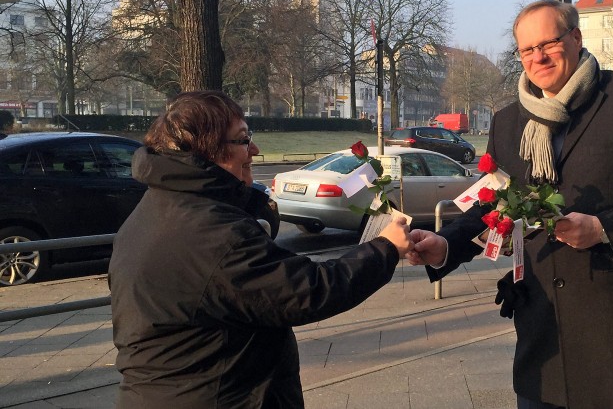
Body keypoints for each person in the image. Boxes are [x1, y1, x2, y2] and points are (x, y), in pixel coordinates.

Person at [406, 0, 613, 409]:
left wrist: (604, 228)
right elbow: (494, 201)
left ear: (576, 38)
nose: (538, 57)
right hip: (542, 337)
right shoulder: (509, 122)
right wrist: (447, 245)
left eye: (549, 43)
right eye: (527, 50)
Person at [108, 90, 414, 408]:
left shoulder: (160, 205)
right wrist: (386, 248)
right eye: (242, 139)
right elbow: (310, 290)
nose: (254, 149)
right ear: (206, 151)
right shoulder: (213, 232)